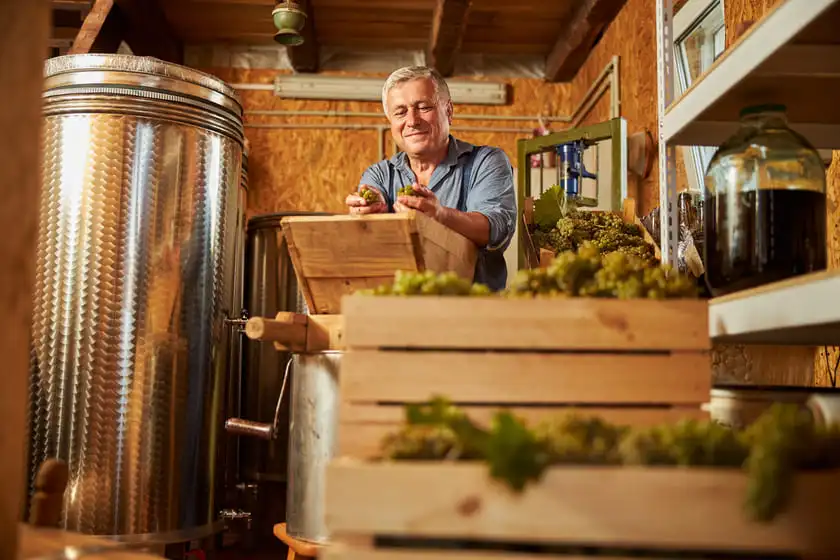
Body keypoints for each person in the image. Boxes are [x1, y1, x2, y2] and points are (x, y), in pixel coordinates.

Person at [345, 66, 517, 291]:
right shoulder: (380, 175)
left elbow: (495, 230)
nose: (412, 120)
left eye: (423, 107)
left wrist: (440, 215)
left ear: (449, 111)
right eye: (400, 112)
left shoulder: (486, 162)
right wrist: (367, 214)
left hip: (472, 314)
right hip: (399, 314)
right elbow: (368, 248)